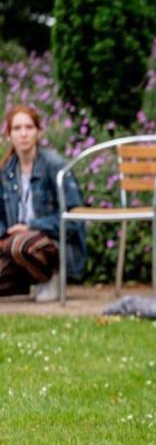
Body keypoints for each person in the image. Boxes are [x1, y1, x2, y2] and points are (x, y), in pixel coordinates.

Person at [0, 105, 86, 302]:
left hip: (52, 243)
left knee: (19, 245)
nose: (23, 134)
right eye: (17, 128)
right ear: (9, 134)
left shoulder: (55, 165)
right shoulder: (6, 170)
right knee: (14, 245)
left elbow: (74, 217)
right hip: (14, 243)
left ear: (38, 132)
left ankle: (52, 276)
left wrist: (31, 226)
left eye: (29, 127)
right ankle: (28, 280)